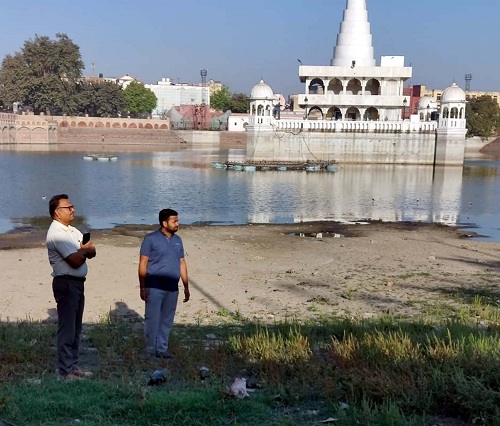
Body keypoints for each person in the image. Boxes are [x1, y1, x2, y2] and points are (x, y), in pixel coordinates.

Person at [46, 194, 96, 381]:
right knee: (67, 328)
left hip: (77, 283)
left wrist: (84, 250)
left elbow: (92, 250)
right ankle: (65, 371)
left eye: (73, 206)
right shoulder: (56, 234)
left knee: (76, 328)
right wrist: (84, 250)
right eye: (69, 207)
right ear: (57, 212)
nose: (73, 209)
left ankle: (73, 367)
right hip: (66, 283)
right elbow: (75, 260)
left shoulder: (72, 230)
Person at [138, 208, 190, 358]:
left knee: (167, 319)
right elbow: (143, 263)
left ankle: (162, 348)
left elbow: (182, 263)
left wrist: (186, 286)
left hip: (172, 286)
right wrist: (142, 286)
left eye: (177, 221)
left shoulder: (177, 240)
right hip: (154, 285)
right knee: (152, 318)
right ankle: (150, 349)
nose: (177, 224)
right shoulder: (150, 239)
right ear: (164, 222)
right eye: (174, 221)